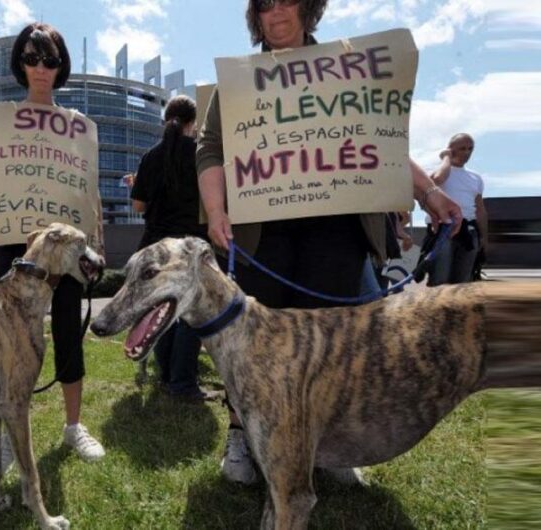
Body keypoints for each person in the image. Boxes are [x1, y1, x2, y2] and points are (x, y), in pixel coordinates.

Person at [196, 0, 464, 484]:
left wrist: (428, 191)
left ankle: (332, 447)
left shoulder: (344, 67)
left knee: (337, 346)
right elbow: (210, 147)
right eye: (264, 5)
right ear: (254, 16)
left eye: (287, 1)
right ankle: (240, 435)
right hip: (265, 235)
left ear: (310, 8)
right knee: (252, 346)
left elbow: (381, 140)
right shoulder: (238, 81)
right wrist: (216, 210)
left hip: (337, 232)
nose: (275, 13)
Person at [0, 22, 105, 463]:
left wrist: (97, 243)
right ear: (21, 63)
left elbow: (88, 191)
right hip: (14, 245)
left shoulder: (76, 128)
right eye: (32, 59)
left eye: (50, 60)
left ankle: (73, 426)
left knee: (69, 330)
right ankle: (7, 426)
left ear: (61, 67)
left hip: (67, 248)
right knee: (12, 338)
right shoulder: (0, 123)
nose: (41, 68)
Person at [129, 95, 219, 402]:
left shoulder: (151, 156)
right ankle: (182, 382)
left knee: (162, 312)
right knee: (191, 315)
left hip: (155, 247)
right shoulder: (200, 155)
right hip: (189, 248)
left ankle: (166, 374)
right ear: (194, 124)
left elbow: (139, 205)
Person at [427, 133, 488, 286]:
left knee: (463, 283)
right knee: (439, 280)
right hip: (443, 230)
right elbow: (438, 179)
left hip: (469, 232)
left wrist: (484, 237)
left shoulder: (476, 178)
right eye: (462, 148)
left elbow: (480, 210)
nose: (467, 153)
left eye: (470, 149)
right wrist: (446, 158)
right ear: (450, 149)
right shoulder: (437, 171)